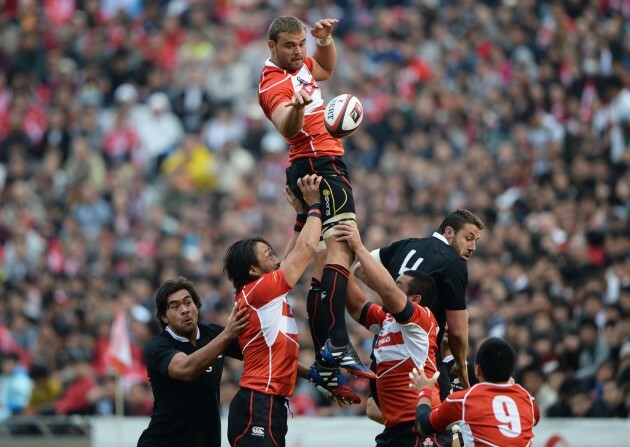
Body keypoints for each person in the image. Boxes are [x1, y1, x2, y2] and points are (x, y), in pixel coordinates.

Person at [258, 15, 373, 379]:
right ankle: (337, 341)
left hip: (313, 163)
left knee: (324, 262)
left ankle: (325, 355)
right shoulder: (273, 84)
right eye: (289, 46)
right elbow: (285, 126)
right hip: (320, 164)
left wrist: (324, 41)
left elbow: (324, 68)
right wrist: (295, 106)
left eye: (301, 44)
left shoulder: (301, 64)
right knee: (343, 247)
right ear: (272, 47)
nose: (297, 52)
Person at [224, 174, 350, 447]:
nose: (275, 256)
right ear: (252, 270)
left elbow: (291, 254)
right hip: (258, 402)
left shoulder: (265, 296)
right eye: (267, 254)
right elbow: (303, 250)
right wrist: (316, 205)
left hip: (270, 404)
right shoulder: (259, 291)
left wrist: (302, 215)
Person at [353, 209, 484, 390]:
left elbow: (359, 269)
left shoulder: (408, 244)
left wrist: (395, 296)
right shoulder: (455, 263)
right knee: (442, 413)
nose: (473, 247)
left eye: (476, 241)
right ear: (449, 232)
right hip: (418, 358)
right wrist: (461, 366)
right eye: (469, 238)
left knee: (379, 409)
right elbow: (458, 331)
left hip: (383, 355)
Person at [336, 221, 440, 446]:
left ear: (415, 299)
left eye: (399, 284)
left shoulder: (422, 319)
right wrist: (338, 259)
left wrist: (359, 248)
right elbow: (355, 306)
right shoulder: (386, 320)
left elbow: (386, 289)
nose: (393, 286)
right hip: (394, 427)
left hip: (418, 426)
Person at [137, 276, 250, 447]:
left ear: (196, 305)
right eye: (175, 306)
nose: (184, 310)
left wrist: (306, 373)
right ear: (164, 317)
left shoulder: (215, 335)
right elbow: (186, 369)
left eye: (188, 303)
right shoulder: (157, 346)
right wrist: (227, 335)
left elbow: (262, 354)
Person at [410, 337, 540, 447]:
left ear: (477, 370)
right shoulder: (529, 400)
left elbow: (423, 427)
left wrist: (424, 390)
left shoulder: (463, 400)